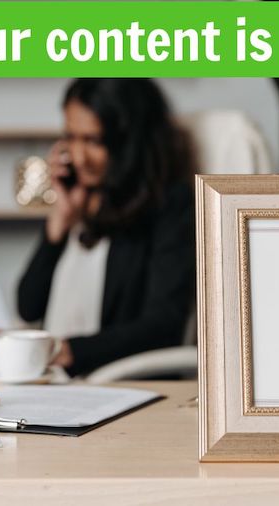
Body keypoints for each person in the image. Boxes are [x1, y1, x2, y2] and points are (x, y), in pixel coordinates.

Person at [17, 78, 197, 377]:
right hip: (53, 381)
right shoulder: (78, 199)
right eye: (71, 138)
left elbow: (164, 326)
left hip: (114, 385)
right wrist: (60, 220)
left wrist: (70, 350)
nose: (78, 156)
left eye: (94, 141)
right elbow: (28, 307)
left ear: (128, 141)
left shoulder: (168, 206)